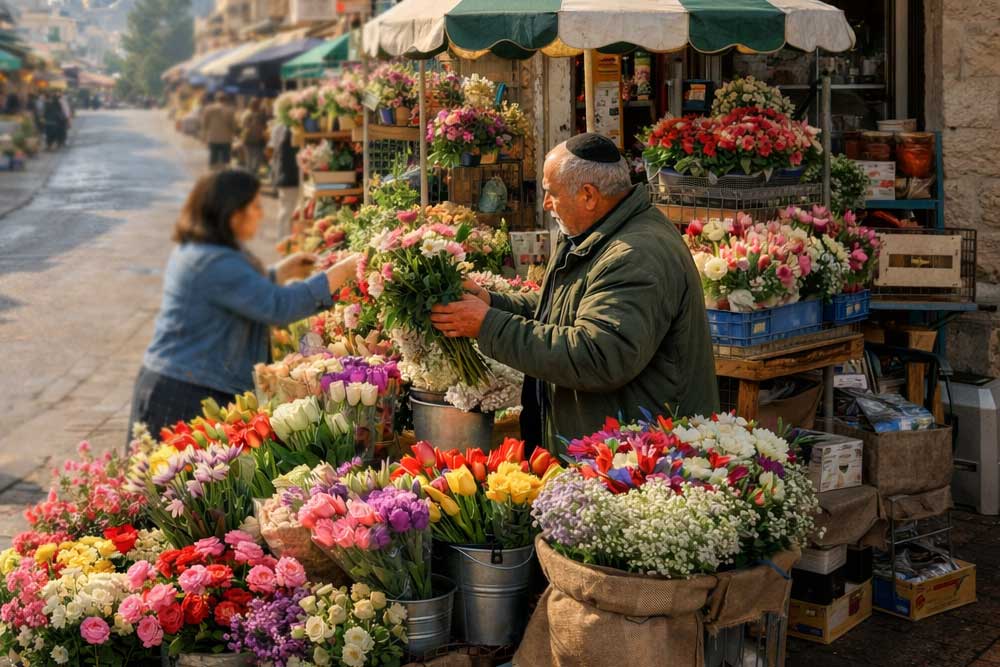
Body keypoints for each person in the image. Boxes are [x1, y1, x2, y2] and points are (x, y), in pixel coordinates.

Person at [430, 133, 719, 454]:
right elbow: (562, 310)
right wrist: (492, 302)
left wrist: (488, 325)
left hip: (638, 458)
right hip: (607, 446)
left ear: (589, 195)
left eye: (551, 193)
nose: (545, 204)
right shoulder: (595, 234)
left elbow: (598, 356)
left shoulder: (635, 254)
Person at [130, 169, 358, 436]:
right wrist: (345, 270)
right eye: (256, 206)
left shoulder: (202, 250)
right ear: (233, 213)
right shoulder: (213, 261)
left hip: (182, 382)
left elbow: (237, 293)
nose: (261, 214)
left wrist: (279, 273)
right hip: (183, 392)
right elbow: (278, 306)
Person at [268, 118, 299, 241]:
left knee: (286, 210)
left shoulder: (281, 136)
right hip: (289, 180)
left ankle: (283, 238)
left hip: (284, 178)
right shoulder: (289, 144)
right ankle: (284, 239)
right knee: (287, 210)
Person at [200, 93, 237, 169]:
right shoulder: (230, 110)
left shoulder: (209, 109)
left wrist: (204, 136)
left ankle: (213, 172)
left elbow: (205, 124)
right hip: (226, 139)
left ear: (216, 99)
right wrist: (234, 133)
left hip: (213, 138)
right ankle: (225, 172)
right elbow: (233, 125)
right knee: (226, 160)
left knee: (213, 158)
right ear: (226, 100)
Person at [240, 98, 269, 177]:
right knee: (257, 157)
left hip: (248, 138)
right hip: (258, 139)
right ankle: (254, 173)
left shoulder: (246, 114)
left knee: (249, 157)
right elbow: (265, 127)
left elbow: (242, 126)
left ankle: (249, 173)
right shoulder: (261, 115)